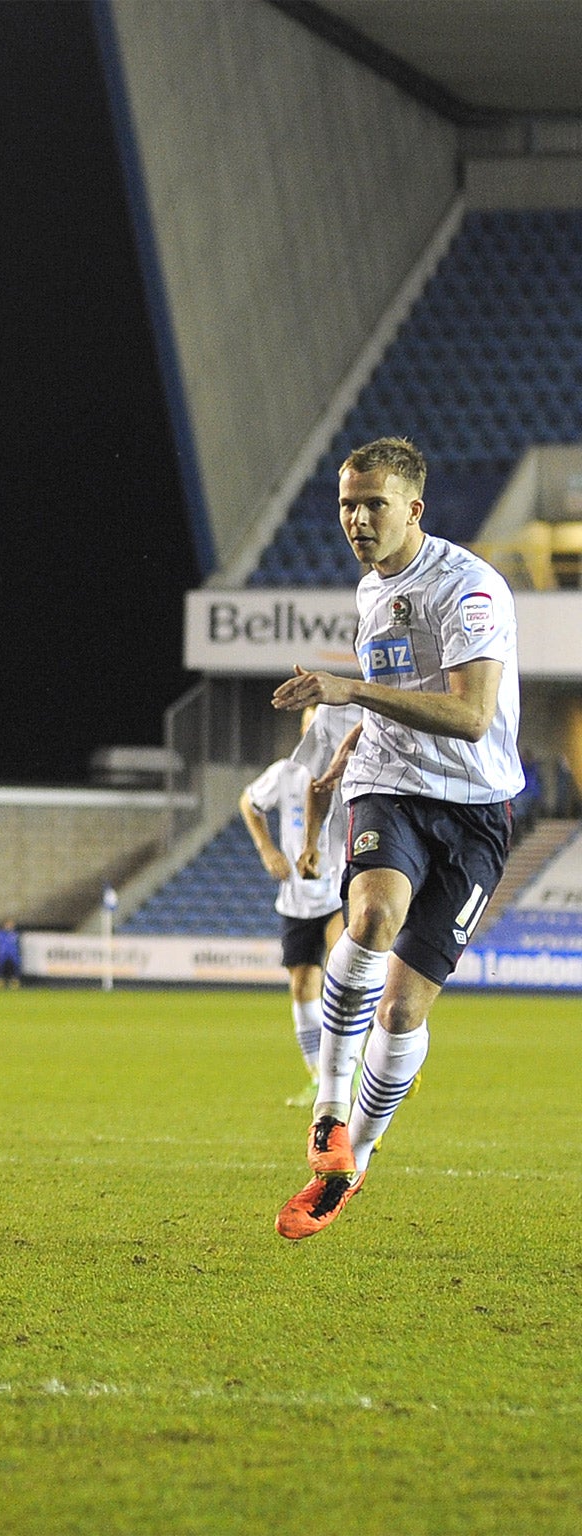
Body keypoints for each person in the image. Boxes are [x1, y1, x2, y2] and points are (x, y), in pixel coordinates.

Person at [269, 437, 523, 1240]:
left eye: (372, 504)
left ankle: (356, 1162)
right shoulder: (371, 587)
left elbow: (473, 716)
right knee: (372, 918)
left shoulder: (469, 590)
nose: (356, 519)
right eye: (347, 503)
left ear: (414, 508)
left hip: (477, 809)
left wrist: (351, 690)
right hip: (392, 787)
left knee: (405, 1008)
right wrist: (352, 741)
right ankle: (329, 1111)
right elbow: (397, 691)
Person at [240, 703, 360, 1099]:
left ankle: (374, 1060)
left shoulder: (353, 771)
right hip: (297, 897)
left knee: (347, 969)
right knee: (303, 986)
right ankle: (318, 1077)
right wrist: (267, 850)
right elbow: (250, 803)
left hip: (338, 890)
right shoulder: (285, 773)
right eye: (312, 728)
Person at [0, 917, 21, 989]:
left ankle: (14, 981)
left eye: (11, 924)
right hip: (2, 953)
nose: (10, 926)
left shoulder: (15, 934)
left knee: (15, 965)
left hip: (13, 953)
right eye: (8, 924)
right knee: (0, 965)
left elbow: (18, 944)